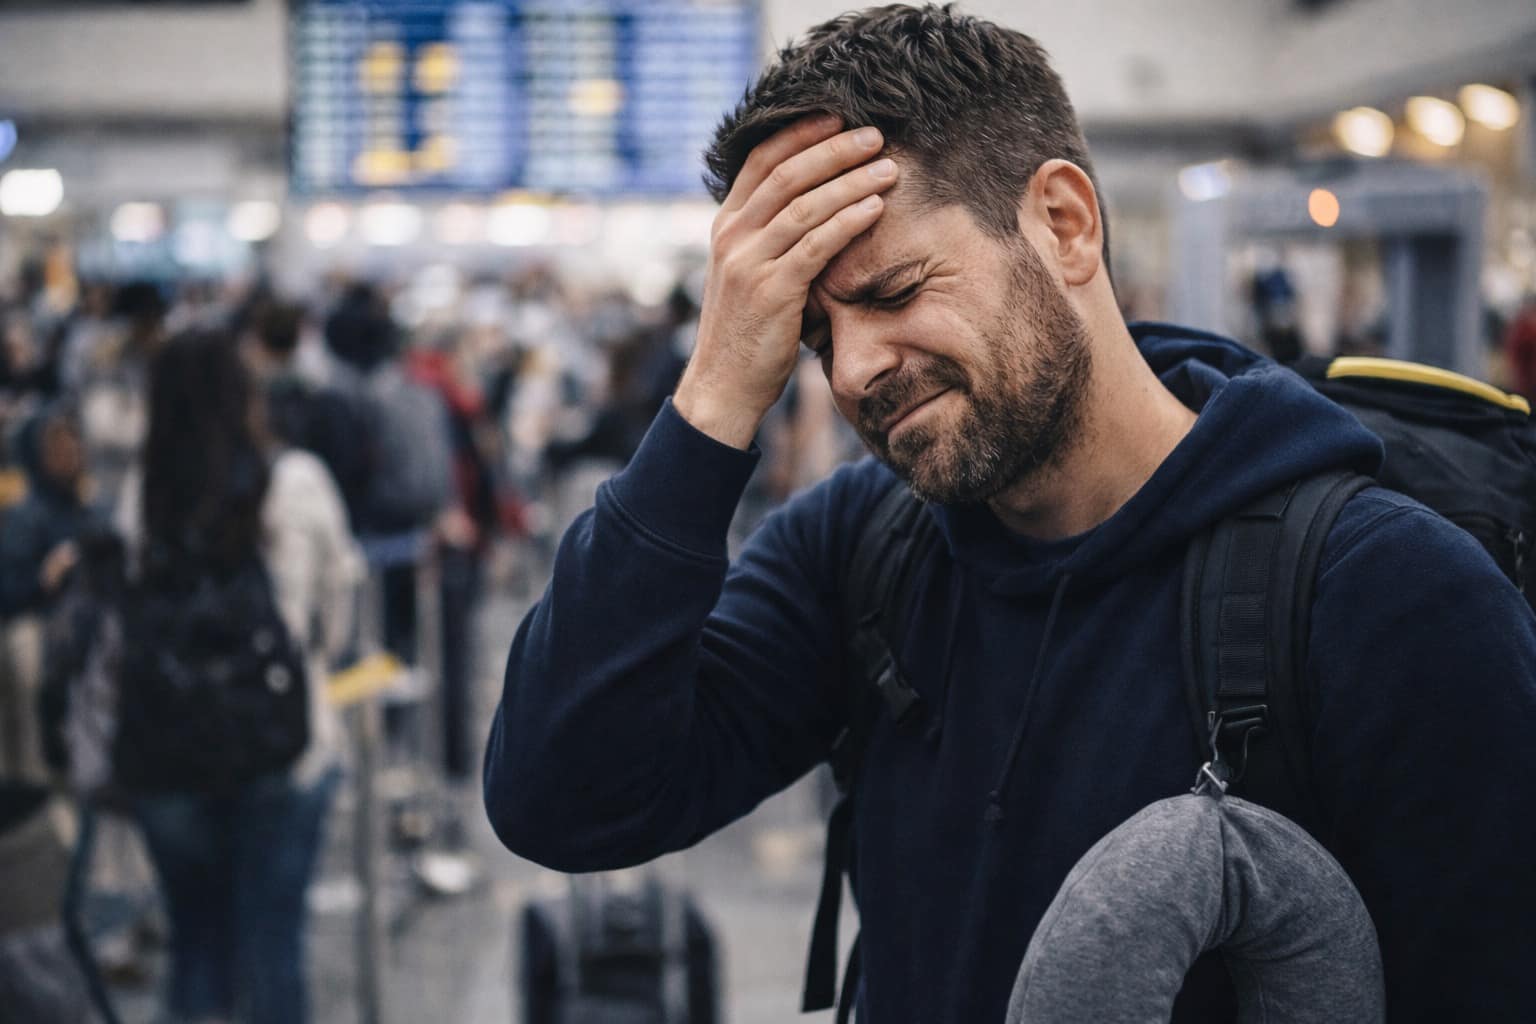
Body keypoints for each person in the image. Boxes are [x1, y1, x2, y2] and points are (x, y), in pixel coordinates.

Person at [483, 5, 1536, 1022]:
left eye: (893, 292)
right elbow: (566, 795)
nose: (853, 370)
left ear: (1065, 223)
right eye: (811, 335)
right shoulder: (863, 544)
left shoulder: (1386, 598)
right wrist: (712, 399)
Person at [116, 329, 360, 1024]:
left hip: (165, 749)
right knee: (273, 944)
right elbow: (334, 623)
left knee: (195, 944)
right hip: (284, 743)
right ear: (244, 397)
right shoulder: (295, 481)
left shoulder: (141, 495)